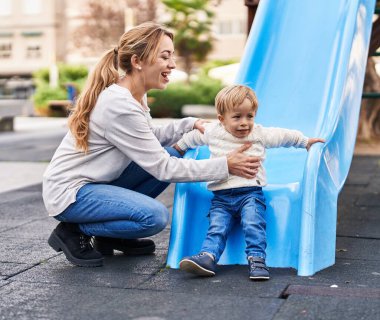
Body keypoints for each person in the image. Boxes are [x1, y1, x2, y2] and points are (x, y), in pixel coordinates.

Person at [42, 22, 261, 268]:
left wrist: (189, 125)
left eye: (172, 56)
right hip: (72, 193)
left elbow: (147, 137)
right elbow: (164, 169)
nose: (173, 64)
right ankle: (72, 230)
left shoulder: (134, 94)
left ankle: (110, 234)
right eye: (164, 57)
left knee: (169, 151)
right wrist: (225, 166)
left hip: (96, 183)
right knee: (154, 217)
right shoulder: (119, 105)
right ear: (137, 62)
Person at [175, 84, 325, 280]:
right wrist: (178, 147)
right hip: (221, 196)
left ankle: (257, 260)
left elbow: (283, 136)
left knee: (253, 224)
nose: (245, 123)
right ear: (221, 119)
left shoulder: (259, 134)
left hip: (250, 194)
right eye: (237, 117)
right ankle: (208, 257)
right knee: (217, 228)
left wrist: (304, 141)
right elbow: (193, 137)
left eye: (250, 116)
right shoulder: (213, 131)